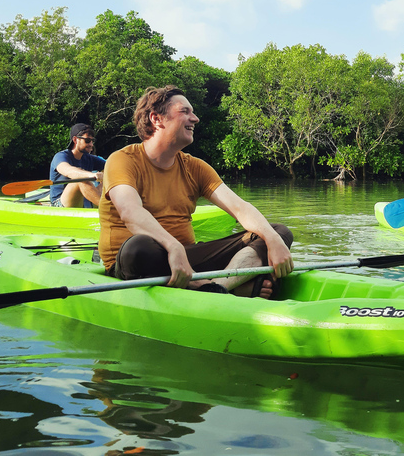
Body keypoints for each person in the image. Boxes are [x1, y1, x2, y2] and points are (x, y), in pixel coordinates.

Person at [97, 85, 293, 299]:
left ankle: (216, 287)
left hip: (186, 258)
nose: (195, 118)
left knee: (277, 231)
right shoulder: (122, 160)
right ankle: (232, 285)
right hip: (137, 261)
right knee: (138, 248)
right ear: (156, 119)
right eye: (185, 111)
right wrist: (172, 246)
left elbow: (240, 208)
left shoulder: (196, 167)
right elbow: (130, 213)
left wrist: (273, 240)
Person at [49, 123, 106, 208]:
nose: (91, 144)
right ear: (75, 140)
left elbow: (111, 166)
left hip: (84, 201)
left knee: (111, 177)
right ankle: (109, 210)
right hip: (59, 204)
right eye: (87, 140)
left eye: (92, 141)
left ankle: (117, 207)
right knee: (80, 179)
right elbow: (69, 171)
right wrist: (92, 175)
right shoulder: (61, 156)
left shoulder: (90, 158)